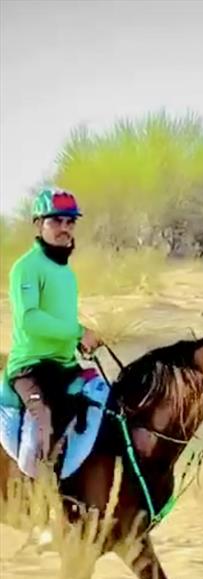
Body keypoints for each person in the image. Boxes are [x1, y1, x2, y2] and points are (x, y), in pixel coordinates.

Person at [6, 187, 101, 461]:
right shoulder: (26, 267)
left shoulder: (66, 272)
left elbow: (59, 322)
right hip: (30, 368)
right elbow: (30, 319)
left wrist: (78, 342)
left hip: (65, 366)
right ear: (39, 224)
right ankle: (37, 485)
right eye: (56, 221)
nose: (64, 228)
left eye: (70, 222)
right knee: (42, 428)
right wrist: (78, 332)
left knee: (108, 401)